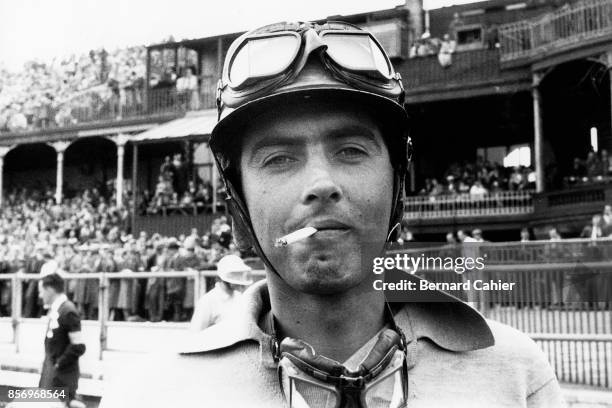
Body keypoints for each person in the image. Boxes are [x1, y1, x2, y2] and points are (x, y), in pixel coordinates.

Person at [101, 21, 563, 407]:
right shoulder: (146, 394)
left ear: (398, 184)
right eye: (279, 158)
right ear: (236, 206)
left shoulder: (515, 376)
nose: (321, 183)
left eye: (351, 149)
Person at [38, 273, 86, 407]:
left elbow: (79, 346)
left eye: (41, 292)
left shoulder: (68, 311)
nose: (40, 296)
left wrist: (58, 364)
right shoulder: (58, 309)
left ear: (50, 290)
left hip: (62, 377)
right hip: (52, 376)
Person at [189, 254, 253, 331]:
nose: (239, 279)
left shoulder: (240, 297)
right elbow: (196, 331)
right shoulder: (208, 301)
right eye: (235, 275)